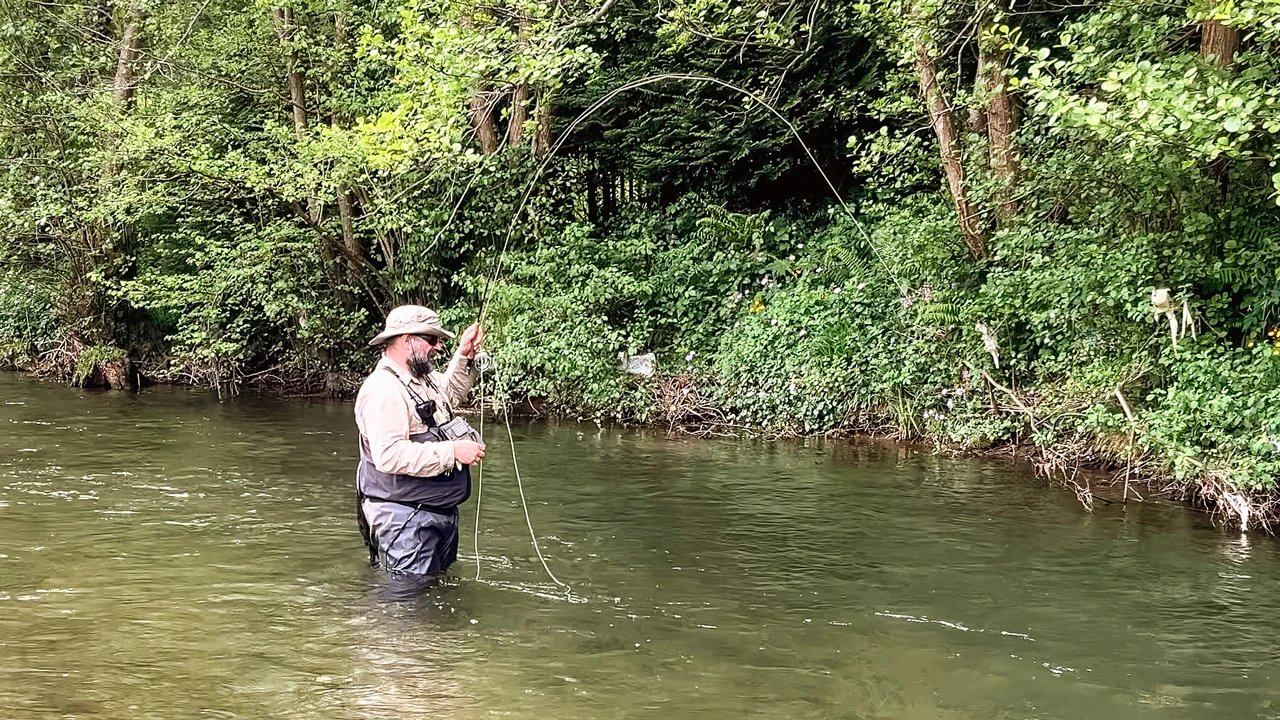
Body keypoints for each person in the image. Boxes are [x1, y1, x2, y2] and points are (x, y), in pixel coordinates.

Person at [354, 305, 486, 576]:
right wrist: (453, 451)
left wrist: (463, 356)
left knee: (433, 595)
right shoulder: (382, 390)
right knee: (408, 605)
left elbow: (451, 391)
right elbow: (388, 455)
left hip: (434, 511)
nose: (438, 347)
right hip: (402, 519)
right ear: (406, 340)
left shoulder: (425, 379)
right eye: (432, 339)